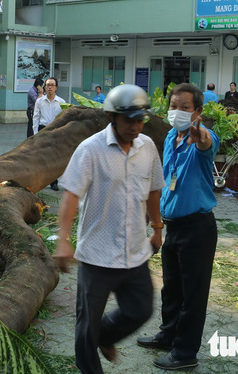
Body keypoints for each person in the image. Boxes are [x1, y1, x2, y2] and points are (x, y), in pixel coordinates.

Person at [54, 84, 165, 374]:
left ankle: (107, 335)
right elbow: (71, 195)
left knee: (141, 310)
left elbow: (154, 190)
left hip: (135, 252)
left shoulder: (147, 148)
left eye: (141, 119)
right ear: (112, 117)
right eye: (129, 120)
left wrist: (157, 227)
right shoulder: (90, 150)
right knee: (86, 328)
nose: (136, 126)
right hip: (97, 256)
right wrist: (63, 240)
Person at [137, 83, 220, 371]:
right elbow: (165, 180)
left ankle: (185, 353)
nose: (177, 112)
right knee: (172, 287)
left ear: (198, 111)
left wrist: (201, 136)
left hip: (197, 228)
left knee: (193, 294)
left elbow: (206, 143)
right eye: (173, 106)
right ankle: (168, 335)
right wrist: (155, 216)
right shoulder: (172, 135)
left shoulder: (203, 139)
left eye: (184, 107)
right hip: (172, 227)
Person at [33, 77, 66, 190]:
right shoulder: (39, 101)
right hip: (43, 130)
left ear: (56, 87)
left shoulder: (61, 102)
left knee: (54, 158)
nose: (50, 87)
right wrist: (35, 134)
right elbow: (36, 117)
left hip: (56, 131)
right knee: (41, 157)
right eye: (47, 85)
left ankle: (53, 182)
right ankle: (40, 181)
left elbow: (64, 119)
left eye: (52, 85)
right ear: (45, 87)